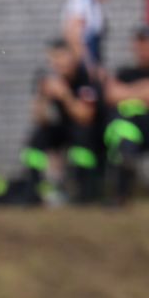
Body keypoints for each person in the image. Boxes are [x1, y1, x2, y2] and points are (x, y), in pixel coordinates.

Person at [103, 25, 149, 205]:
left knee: (123, 124)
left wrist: (128, 93)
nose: (144, 48)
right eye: (140, 43)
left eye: (148, 43)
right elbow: (111, 96)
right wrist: (145, 89)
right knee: (123, 127)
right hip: (126, 132)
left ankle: (121, 191)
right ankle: (121, 187)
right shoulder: (125, 72)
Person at [21, 39, 102, 204]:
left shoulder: (85, 77)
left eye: (61, 57)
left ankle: (85, 192)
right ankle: (34, 191)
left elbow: (85, 117)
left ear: (72, 57)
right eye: (53, 59)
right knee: (37, 138)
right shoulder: (51, 80)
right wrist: (42, 98)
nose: (58, 63)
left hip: (91, 132)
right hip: (65, 128)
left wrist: (65, 95)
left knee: (81, 136)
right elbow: (40, 120)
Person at [61, 0, 116, 72]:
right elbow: (73, 38)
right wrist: (89, 68)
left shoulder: (96, 5)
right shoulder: (80, 2)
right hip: (80, 67)